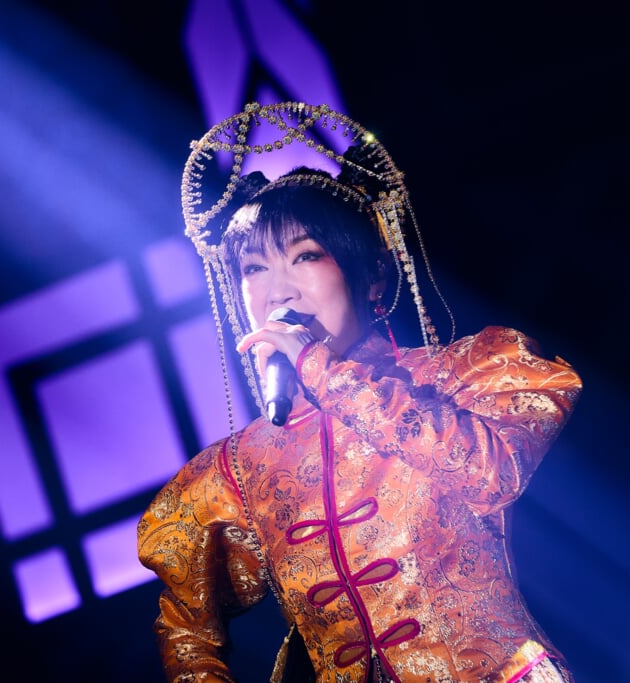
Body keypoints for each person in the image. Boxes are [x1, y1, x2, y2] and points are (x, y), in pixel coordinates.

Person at [137, 102, 583, 683]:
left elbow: (488, 475)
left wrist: (322, 369)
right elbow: (186, 625)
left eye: (305, 256)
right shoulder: (239, 468)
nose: (278, 290)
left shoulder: (464, 374)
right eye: (253, 268)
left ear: (373, 275)